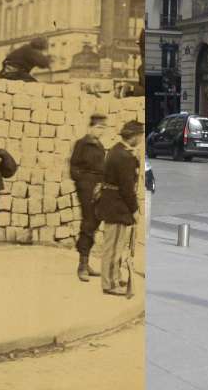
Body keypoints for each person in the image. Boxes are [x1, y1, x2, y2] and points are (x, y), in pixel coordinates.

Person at [96, 120, 144, 296]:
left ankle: (114, 277)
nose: (141, 139)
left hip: (113, 204)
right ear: (132, 137)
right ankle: (109, 284)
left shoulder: (118, 150)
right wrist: (135, 210)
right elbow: (126, 188)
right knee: (114, 247)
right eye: (139, 136)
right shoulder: (124, 157)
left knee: (114, 246)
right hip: (117, 206)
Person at [70, 113, 107, 282]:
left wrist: (100, 185)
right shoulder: (81, 144)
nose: (101, 131)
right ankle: (82, 265)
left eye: (103, 128)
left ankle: (87, 261)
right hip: (86, 188)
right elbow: (74, 169)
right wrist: (85, 185)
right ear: (91, 127)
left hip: (99, 188)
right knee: (88, 222)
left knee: (94, 222)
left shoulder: (100, 146)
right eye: (99, 127)